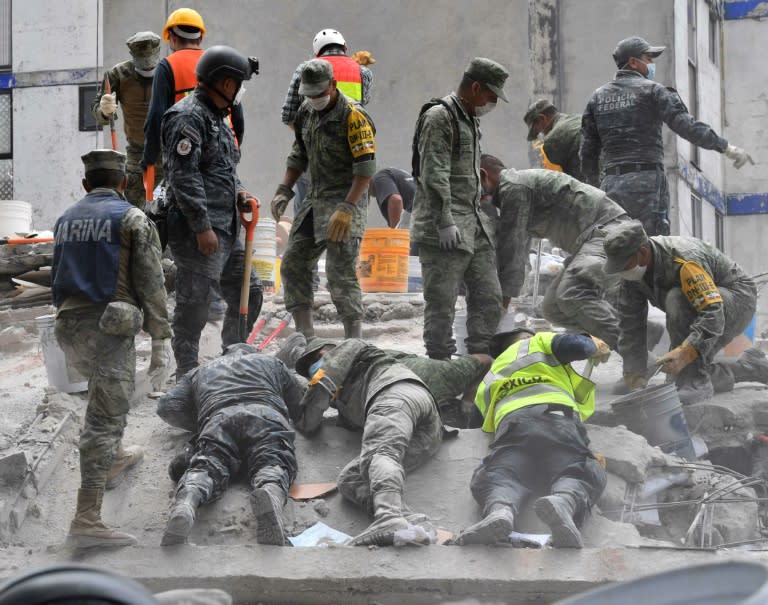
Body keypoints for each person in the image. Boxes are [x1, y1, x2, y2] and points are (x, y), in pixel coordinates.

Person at [51, 149, 172, 549]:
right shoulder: (132, 218)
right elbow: (152, 283)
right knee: (103, 420)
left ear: (86, 184)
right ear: (123, 183)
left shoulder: (65, 219)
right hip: (109, 330)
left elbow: (57, 279)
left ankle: (115, 455)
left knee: (103, 402)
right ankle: (86, 518)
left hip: (69, 330)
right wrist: (161, 340)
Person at [581, 36, 753, 236]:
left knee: (615, 245)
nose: (652, 64)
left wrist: (596, 187)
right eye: (648, 58)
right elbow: (687, 126)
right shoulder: (653, 91)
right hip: (646, 185)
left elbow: (587, 152)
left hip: (610, 186)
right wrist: (727, 148)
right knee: (651, 249)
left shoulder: (597, 97)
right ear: (633, 62)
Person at [161, 45, 262, 380]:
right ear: (227, 84)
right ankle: (187, 373)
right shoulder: (188, 117)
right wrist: (202, 227)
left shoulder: (219, 119)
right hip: (198, 230)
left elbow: (220, 169)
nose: (240, 91)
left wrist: (239, 191)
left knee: (251, 292)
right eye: (239, 83)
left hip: (228, 227)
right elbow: (183, 176)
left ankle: (232, 359)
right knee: (195, 304)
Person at [456, 328, 608, 548]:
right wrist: (593, 342)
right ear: (527, 337)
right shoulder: (538, 342)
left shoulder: (491, 375)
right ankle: (564, 501)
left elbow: (474, 426)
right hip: (556, 416)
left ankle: (500, 510)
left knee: (502, 471)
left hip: (513, 424)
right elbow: (578, 347)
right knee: (578, 465)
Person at [293, 338, 445, 546]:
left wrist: (302, 415)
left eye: (314, 362)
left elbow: (314, 407)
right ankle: (409, 524)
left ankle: (389, 517)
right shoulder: (348, 396)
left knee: (382, 454)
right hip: (425, 429)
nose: (315, 368)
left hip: (393, 394)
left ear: (323, 353)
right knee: (351, 479)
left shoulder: (348, 348)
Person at [156, 344, 305, 546]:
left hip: (218, 417)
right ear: (252, 352)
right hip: (265, 414)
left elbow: (166, 406)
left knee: (208, 462)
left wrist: (201, 420)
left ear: (224, 353)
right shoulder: (271, 362)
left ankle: (188, 500)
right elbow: (298, 406)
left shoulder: (200, 370)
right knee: (273, 458)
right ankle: (270, 491)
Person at [603, 221, 766, 404]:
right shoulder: (632, 272)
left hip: (736, 301)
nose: (621, 270)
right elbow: (629, 322)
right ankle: (751, 366)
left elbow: (712, 313)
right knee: (676, 380)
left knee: (677, 299)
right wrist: (635, 370)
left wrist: (686, 352)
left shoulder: (683, 261)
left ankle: (697, 383)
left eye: (623, 264)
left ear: (642, 253)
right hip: (701, 307)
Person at [271, 59, 376, 340]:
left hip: (345, 199)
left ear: (333, 85)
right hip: (316, 200)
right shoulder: (306, 111)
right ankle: (305, 336)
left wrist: (347, 207)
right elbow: (298, 154)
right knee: (293, 262)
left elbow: (365, 168)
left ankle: (354, 339)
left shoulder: (353, 116)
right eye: (310, 94)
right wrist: (284, 188)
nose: (315, 99)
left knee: (339, 272)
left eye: (319, 93)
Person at [411, 57, 508, 360]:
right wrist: (443, 220)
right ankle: (440, 367)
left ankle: (477, 362)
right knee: (442, 304)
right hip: (445, 225)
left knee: (489, 297)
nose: (492, 103)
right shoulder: (441, 117)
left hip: (474, 224)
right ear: (475, 87)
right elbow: (433, 171)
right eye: (490, 97)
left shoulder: (470, 120)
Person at [479, 154, 628, 350]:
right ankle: (638, 333)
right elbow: (519, 252)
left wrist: (501, 308)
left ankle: (638, 360)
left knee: (570, 294)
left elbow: (512, 253)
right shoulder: (514, 191)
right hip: (588, 242)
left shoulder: (514, 188)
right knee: (552, 309)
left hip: (606, 232)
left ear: (483, 176)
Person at [142, 8, 245, 180]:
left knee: (186, 202)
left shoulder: (168, 66)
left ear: (173, 38)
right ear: (201, 37)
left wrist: (149, 159)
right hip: (223, 153)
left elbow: (156, 116)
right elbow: (237, 114)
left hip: (186, 152)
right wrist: (234, 147)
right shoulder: (220, 62)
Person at [281, 28, 375, 215]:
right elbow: (362, 107)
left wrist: (308, 136)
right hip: (352, 153)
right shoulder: (362, 72)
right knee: (346, 216)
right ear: (345, 48)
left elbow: (288, 115)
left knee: (306, 214)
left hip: (313, 156)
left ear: (317, 52)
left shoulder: (305, 69)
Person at [92, 31, 162, 209]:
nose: (147, 69)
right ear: (133, 56)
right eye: (143, 64)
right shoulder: (118, 75)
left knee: (169, 209)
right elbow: (99, 114)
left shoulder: (168, 71)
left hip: (168, 152)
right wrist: (104, 110)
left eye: (150, 65)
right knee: (129, 209)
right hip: (137, 153)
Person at [523, 99, 585, 181]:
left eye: (539, 131)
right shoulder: (578, 117)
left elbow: (568, 181)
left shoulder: (552, 140)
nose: (542, 134)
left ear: (542, 118)